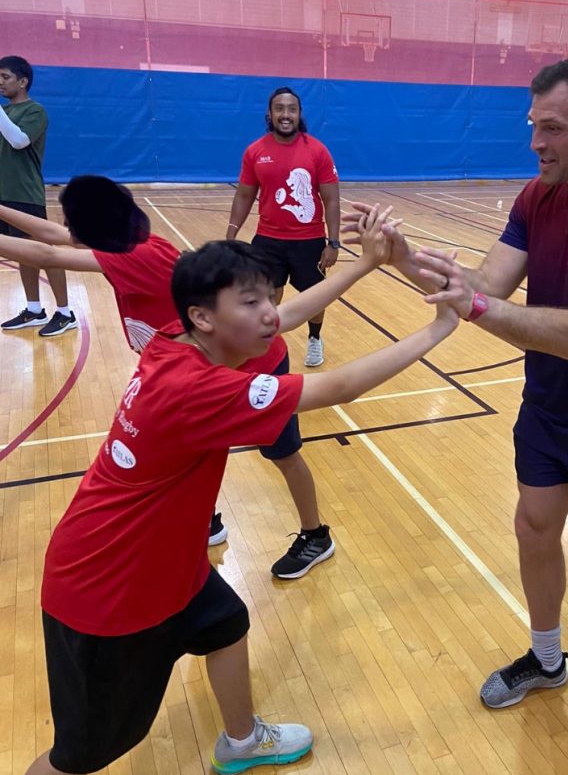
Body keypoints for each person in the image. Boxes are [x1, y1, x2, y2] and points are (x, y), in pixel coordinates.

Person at [0, 217, 459, 775]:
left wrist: (362, 266)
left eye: (265, 297)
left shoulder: (178, 343)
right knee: (86, 748)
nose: (269, 313)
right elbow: (337, 388)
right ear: (203, 317)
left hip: (163, 561)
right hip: (108, 592)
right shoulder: (200, 390)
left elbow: (282, 316)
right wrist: (439, 329)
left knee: (226, 622)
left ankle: (240, 739)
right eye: (249, 302)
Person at [343, 54, 568, 745]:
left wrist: (472, 306)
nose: (535, 142)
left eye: (551, 128)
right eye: (532, 125)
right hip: (549, 407)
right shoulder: (539, 195)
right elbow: (486, 283)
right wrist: (401, 257)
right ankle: (546, 656)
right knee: (534, 528)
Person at [0, 175, 335, 574]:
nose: (68, 231)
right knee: (196, 452)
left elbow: (48, 254)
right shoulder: (125, 244)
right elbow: (54, 235)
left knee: (282, 454)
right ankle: (207, 519)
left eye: (76, 225)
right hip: (203, 370)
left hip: (252, 364)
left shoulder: (133, 257)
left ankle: (316, 535)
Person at [226, 86, 340, 368]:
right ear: (270, 114)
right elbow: (244, 195)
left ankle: (314, 339)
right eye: (280, 109)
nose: (285, 114)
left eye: (291, 109)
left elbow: (331, 199)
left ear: (299, 114)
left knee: (314, 299)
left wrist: (333, 242)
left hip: (309, 241)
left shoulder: (317, 151)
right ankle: (269, 346)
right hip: (268, 240)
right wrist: (231, 234)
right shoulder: (255, 151)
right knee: (267, 298)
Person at [0, 56, 77, 337]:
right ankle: (34, 309)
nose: (0, 82)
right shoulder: (4, 113)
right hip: (2, 195)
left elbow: (19, 141)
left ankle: (66, 313)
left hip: (24, 194)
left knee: (45, 254)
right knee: (21, 253)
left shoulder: (35, 111)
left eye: (5, 77)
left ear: (23, 82)